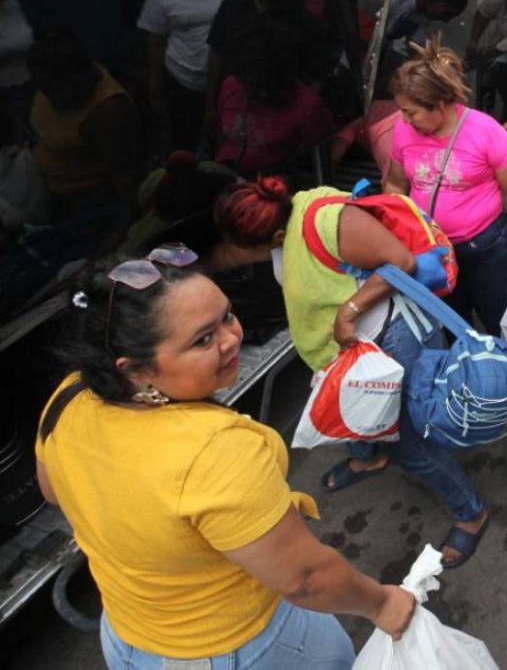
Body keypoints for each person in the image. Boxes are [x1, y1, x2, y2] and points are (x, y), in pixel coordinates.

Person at [35, 252, 414, 668]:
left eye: (227, 316)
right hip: (244, 649)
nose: (231, 338)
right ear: (136, 371)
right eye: (202, 339)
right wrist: (380, 604)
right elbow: (305, 579)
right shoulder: (214, 451)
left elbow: (53, 491)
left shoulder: (71, 395)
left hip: (128, 640)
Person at [211, 177, 492, 568]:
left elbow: (403, 262)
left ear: (276, 233)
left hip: (389, 341)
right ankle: (368, 458)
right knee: (356, 417)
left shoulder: (328, 222)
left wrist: (350, 310)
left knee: (410, 442)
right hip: (343, 352)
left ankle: (471, 513)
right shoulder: (282, 226)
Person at [384, 40, 507, 336]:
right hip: (434, 251)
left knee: (497, 317)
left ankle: (504, 373)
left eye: (411, 112)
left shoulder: (486, 132)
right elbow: (395, 183)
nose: (404, 119)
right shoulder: (404, 131)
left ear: (440, 105)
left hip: (485, 248)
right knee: (452, 323)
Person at [137, 0, 246, 151]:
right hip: (183, 83)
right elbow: (156, 43)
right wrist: (156, 95)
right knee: (185, 147)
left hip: (231, 83)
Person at [205, 0, 328, 136]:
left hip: (280, 111)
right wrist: (211, 105)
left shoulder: (303, 20)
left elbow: (315, 76)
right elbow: (216, 53)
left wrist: (300, 119)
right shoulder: (235, 3)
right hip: (235, 103)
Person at [28, 29, 139, 204]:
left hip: (87, 196)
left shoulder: (107, 111)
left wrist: (123, 226)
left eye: (51, 88)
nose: (47, 95)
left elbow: (124, 173)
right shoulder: (48, 76)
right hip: (43, 181)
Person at [214, 26, 334, 175]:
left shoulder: (308, 108)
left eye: (258, 82)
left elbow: (318, 163)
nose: (251, 89)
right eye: (246, 79)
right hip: (224, 175)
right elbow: (219, 135)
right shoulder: (232, 85)